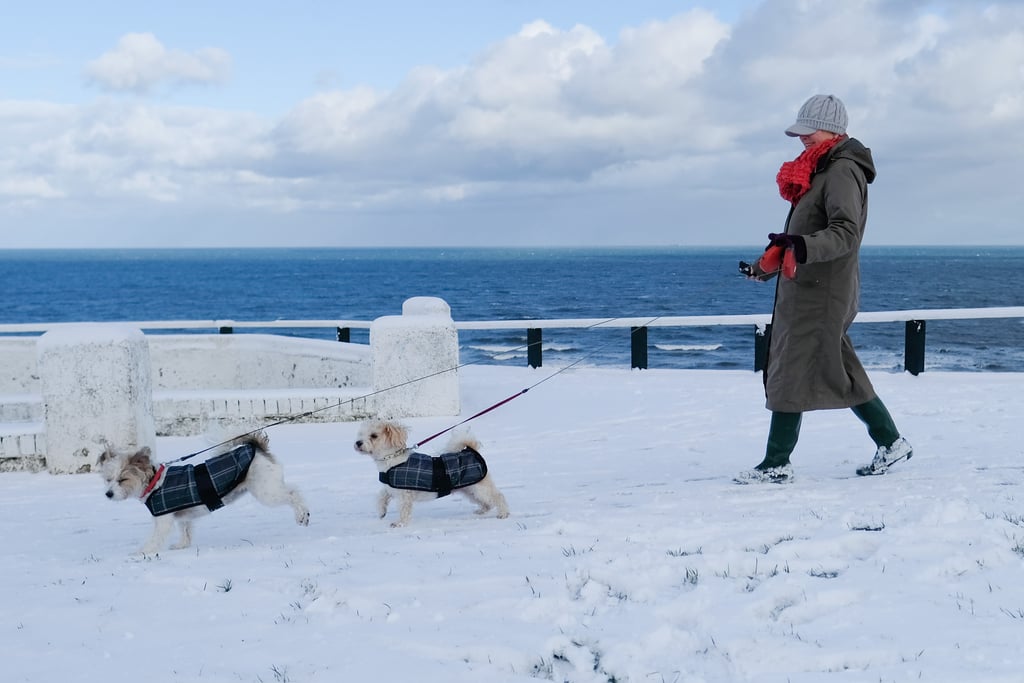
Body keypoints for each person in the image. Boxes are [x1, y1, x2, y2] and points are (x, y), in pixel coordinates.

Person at [736, 94, 912, 483]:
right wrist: (762, 269)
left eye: (807, 131)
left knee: (789, 369)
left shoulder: (841, 171)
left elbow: (845, 232)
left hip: (822, 291)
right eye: (798, 132)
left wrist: (803, 246)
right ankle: (891, 441)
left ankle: (776, 463)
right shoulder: (819, 168)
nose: (801, 139)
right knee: (838, 367)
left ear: (832, 129)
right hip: (810, 288)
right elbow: (800, 238)